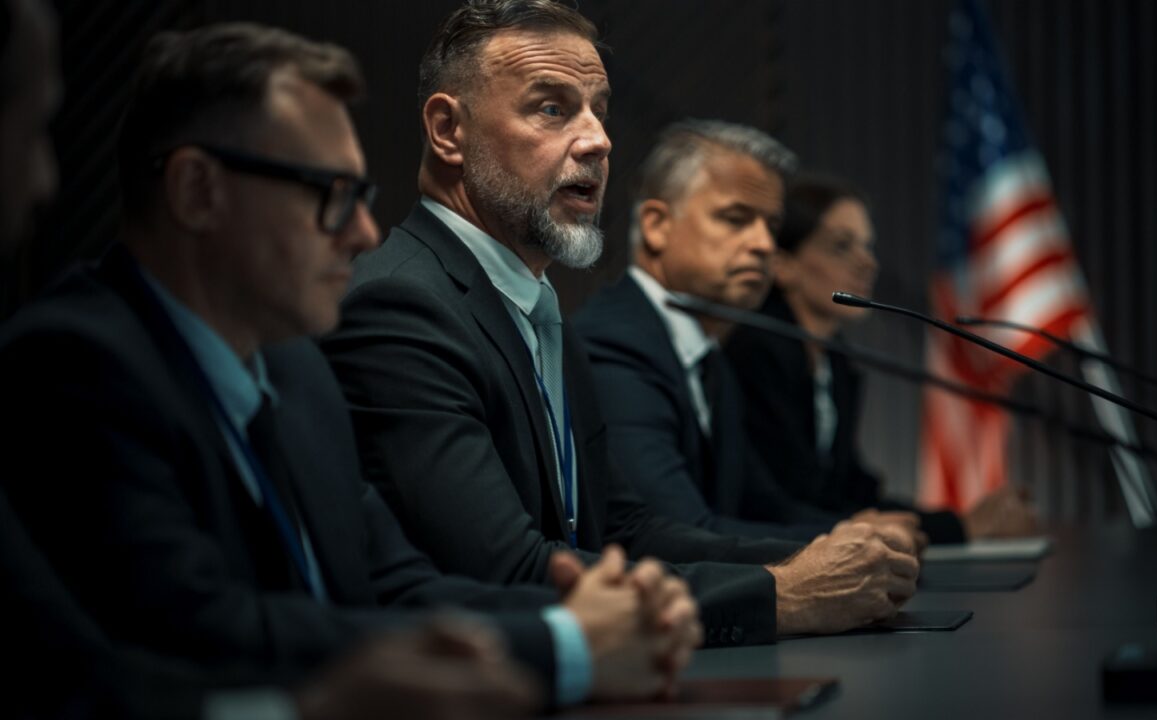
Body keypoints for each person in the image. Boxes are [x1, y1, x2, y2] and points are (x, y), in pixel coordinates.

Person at [0, 20, 699, 715]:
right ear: (197, 192)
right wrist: (566, 642)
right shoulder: (73, 363)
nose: (364, 233)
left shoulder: (298, 370)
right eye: (330, 193)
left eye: (360, 198)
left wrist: (594, 616)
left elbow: (400, 587)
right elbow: (204, 629)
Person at [323, 0, 920, 646]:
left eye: (599, 110)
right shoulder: (401, 306)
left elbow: (623, 530)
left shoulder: (539, 308)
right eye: (552, 108)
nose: (598, 140)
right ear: (448, 131)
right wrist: (785, 595)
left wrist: (820, 556)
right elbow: (507, 569)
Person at [574, 120, 889, 545]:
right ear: (656, 226)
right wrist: (849, 543)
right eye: (735, 219)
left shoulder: (709, 356)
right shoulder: (616, 346)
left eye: (771, 226)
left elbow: (762, 505)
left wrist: (861, 533)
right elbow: (673, 534)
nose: (763, 245)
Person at [723, 175, 1039, 542]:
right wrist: (959, 528)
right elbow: (769, 507)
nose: (867, 263)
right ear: (783, 265)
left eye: (867, 246)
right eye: (841, 247)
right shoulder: (755, 352)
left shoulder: (833, 358)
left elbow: (852, 493)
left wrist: (959, 520)